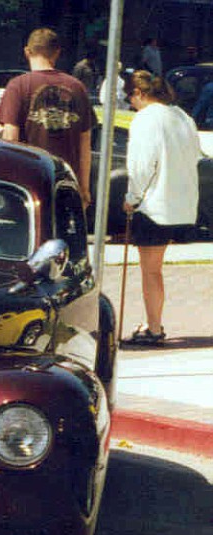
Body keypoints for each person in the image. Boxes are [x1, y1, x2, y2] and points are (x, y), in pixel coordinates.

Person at [121, 70, 201, 346]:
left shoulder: (145, 119)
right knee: (155, 270)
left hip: (153, 205)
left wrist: (132, 196)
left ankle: (154, 328)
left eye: (130, 96)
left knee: (150, 271)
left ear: (140, 94)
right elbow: (194, 156)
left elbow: (142, 164)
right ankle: (151, 320)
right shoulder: (182, 116)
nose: (130, 102)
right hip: (180, 203)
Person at [0, 28, 96, 205]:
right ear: (57, 53)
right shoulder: (77, 87)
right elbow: (85, 143)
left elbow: (11, 138)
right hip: (66, 185)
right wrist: (84, 189)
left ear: (27, 51)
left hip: (29, 184)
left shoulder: (18, 86)